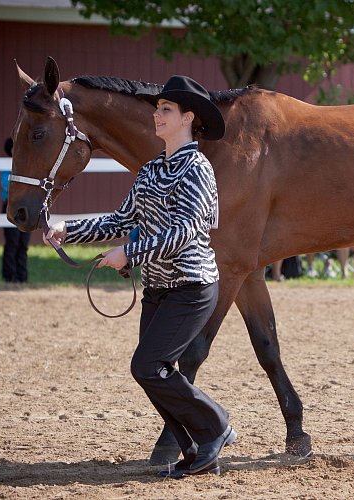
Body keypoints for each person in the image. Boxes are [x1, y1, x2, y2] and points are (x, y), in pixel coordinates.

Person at [44, 75, 235, 478]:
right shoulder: (150, 169)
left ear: (187, 118)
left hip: (192, 286)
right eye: (158, 108)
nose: (157, 114)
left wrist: (128, 252)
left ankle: (216, 425)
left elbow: (184, 232)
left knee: (150, 366)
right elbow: (123, 218)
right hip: (159, 289)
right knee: (149, 370)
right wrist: (69, 230)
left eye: (166, 109)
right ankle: (197, 450)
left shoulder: (198, 169)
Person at [1, 138, 30, 282]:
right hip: (11, 204)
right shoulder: (6, 166)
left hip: (27, 206)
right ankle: (9, 276)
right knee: (12, 242)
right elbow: (7, 185)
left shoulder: (30, 165)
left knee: (23, 243)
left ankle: (22, 276)